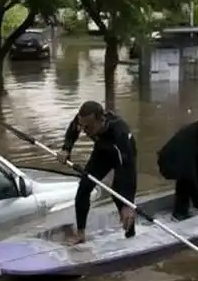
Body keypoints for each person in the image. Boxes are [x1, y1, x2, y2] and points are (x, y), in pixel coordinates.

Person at [57, 101, 138, 245]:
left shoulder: (120, 133)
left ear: (101, 120)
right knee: (84, 187)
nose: (84, 131)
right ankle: (80, 234)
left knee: (118, 192)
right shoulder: (83, 120)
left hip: (123, 155)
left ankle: (130, 232)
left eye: (88, 127)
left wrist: (128, 202)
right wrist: (66, 149)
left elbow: (128, 171)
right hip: (102, 152)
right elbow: (74, 128)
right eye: (82, 126)